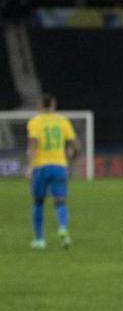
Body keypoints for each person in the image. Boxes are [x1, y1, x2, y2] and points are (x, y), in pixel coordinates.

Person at [26, 93, 77, 250]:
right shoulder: (63, 121)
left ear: (40, 105)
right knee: (60, 201)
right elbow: (73, 145)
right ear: (53, 104)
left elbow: (33, 145)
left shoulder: (35, 122)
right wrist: (71, 155)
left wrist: (30, 166)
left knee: (38, 202)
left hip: (41, 167)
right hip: (59, 166)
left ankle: (40, 240)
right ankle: (62, 228)